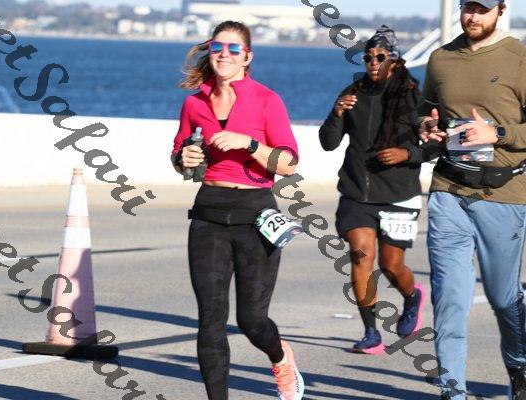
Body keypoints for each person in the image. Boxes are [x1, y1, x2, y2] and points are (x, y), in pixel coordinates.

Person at [170, 21, 304, 400]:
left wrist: (249, 144)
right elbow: (180, 155)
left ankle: (280, 357)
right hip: (209, 214)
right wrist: (184, 158)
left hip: (255, 215)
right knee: (211, 320)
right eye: (217, 47)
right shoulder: (194, 103)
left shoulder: (266, 100)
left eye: (233, 49)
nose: (224, 54)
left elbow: (288, 164)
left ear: (247, 57)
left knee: (252, 320)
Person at [419, 1, 526, 399]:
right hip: (449, 189)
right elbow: (423, 112)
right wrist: (426, 126)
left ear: (501, 9)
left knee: (503, 298)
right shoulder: (441, 58)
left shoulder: (519, 58)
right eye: (468, 7)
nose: (473, 16)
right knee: (449, 299)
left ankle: (519, 363)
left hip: (504, 193)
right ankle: (454, 391)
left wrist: (497, 134)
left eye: (483, 8)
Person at [319, 26, 427, 355]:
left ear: (395, 60)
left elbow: (435, 147)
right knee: (361, 255)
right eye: (368, 58)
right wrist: (336, 113)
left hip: (399, 193)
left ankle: (412, 297)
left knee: (392, 266)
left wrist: (406, 153)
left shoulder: (414, 97)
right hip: (358, 193)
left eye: (380, 57)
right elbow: (328, 143)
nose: (373, 63)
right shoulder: (353, 93)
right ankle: (371, 332)